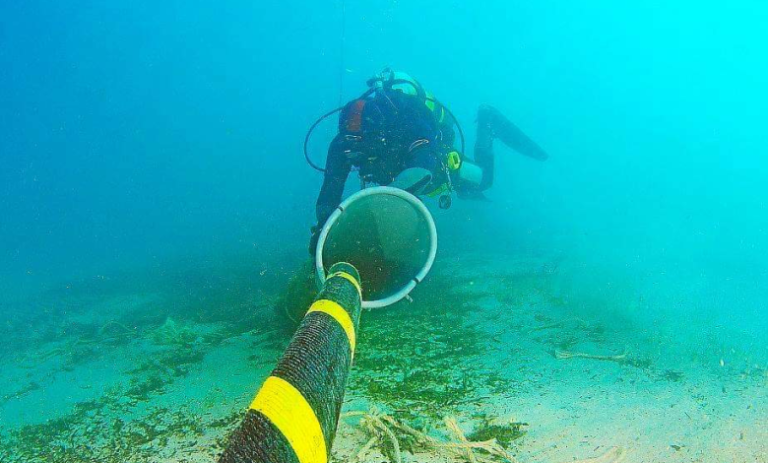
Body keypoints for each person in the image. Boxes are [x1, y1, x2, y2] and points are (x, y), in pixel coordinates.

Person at [309, 68, 549, 254]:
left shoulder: (408, 122)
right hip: (398, 174)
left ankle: (487, 122)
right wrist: (324, 228)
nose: (354, 153)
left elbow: (423, 167)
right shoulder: (343, 145)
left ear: (378, 133)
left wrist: (385, 207)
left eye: (361, 144)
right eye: (350, 144)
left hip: (433, 161)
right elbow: (330, 188)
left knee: (482, 181)